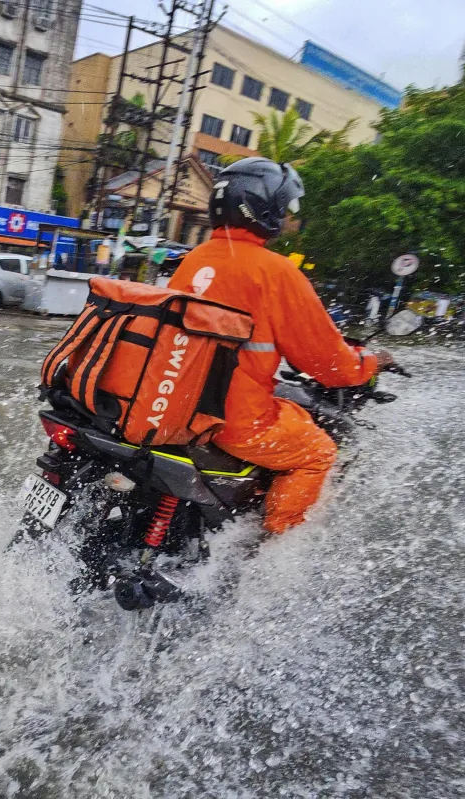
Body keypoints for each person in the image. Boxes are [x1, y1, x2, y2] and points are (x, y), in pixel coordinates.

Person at [168, 157, 392, 536]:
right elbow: (330, 364)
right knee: (318, 453)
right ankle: (273, 556)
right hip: (231, 417)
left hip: (175, 402)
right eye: (285, 207)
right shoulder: (276, 271)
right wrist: (370, 362)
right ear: (263, 209)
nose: (289, 217)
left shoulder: (195, 258)